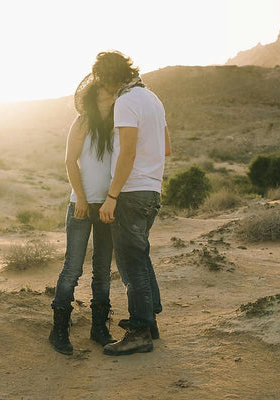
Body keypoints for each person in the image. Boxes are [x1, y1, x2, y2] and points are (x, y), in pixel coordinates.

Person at [93, 51, 172, 356]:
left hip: (130, 192)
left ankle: (139, 332)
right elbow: (166, 148)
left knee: (130, 262)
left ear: (110, 76)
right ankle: (149, 322)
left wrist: (112, 196)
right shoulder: (153, 99)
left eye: (102, 78)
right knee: (140, 255)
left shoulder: (125, 102)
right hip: (152, 190)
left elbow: (126, 154)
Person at [48, 74, 118, 355]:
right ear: (94, 93)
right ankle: (59, 330)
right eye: (105, 90)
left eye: (113, 92)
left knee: (102, 270)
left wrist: (111, 200)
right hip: (82, 204)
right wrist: (82, 199)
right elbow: (69, 161)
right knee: (72, 268)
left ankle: (99, 328)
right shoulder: (82, 122)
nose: (111, 94)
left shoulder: (118, 123)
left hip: (108, 206)